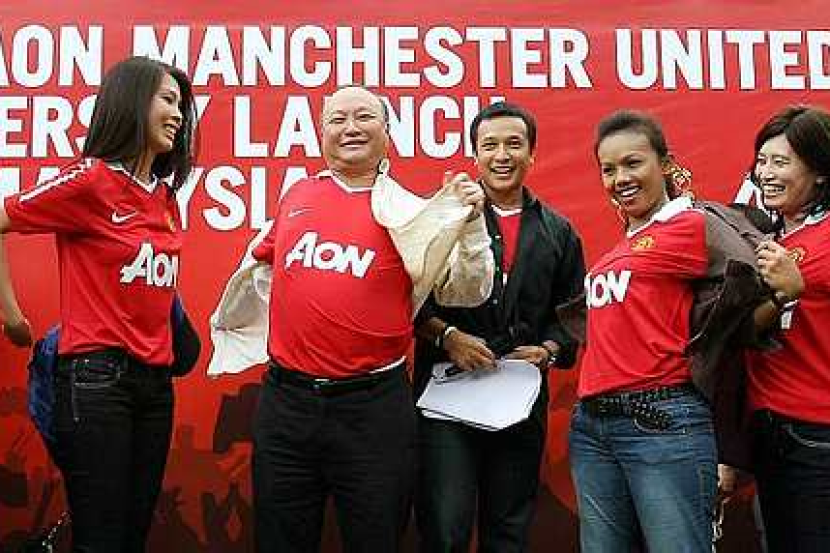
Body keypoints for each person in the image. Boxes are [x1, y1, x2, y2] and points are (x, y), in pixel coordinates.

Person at [245, 85, 494, 553]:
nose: (350, 128)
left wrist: (472, 224)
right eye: (337, 119)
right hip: (286, 405)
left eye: (364, 117)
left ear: (387, 132)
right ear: (321, 133)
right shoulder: (296, 195)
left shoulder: (411, 212)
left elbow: (467, 291)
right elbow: (260, 267)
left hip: (373, 411)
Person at [0, 55, 198, 552]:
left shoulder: (166, 200)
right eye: (167, 100)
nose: (178, 115)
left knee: (132, 536)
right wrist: (11, 315)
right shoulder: (91, 180)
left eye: (181, 105)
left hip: (156, 389)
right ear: (132, 102)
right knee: (101, 540)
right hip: (96, 382)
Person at [568, 110, 767, 552]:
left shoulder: (694, 223)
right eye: (608, 169)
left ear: (666, 163)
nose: (620, 178)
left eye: (633, 163)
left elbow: (756, 277)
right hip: (592, 427)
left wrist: (782, 295)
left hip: (661, 420)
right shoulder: (630, 241)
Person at [412, 101, 585, 553]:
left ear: (532, 154)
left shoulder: (559, 231)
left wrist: (549, 349)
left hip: (519, 398)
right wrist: (448, 336)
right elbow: (407, 300)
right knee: (445, 527)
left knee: (508, 528)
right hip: (447, 396)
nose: (502, 155)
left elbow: (574, 313)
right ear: (475, 154)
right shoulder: (444, 218)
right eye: (490, 145)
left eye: (514, 144)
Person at [746, 105, 830, 552]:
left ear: (820, 171)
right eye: (761, 161)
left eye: (780, 162)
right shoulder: (761, 238)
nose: (766, 174)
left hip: (818, 432)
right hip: (768, 427)